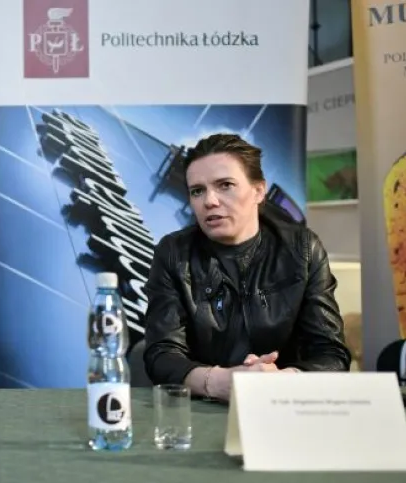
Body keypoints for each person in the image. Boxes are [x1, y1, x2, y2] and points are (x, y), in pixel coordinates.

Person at [142, 133, 350, 401]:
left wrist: (279, 380)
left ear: (258, 191)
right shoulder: (173, 253)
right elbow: (161, 354)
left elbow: (332, 354)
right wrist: (217, 382)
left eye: (225, 185)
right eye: (197, 191)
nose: (210, 201)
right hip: (201, 410)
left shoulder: (303, 250)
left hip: (287, 407)